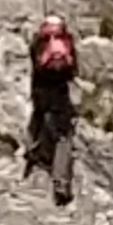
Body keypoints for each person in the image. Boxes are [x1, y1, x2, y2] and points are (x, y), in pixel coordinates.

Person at [25, 15, 78, 207]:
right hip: (59, 96)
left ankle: (31, 156)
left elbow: (35, 66)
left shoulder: (38, 43)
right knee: (63, 138)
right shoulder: (66, 42)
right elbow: (73, 71)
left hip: (40, 94)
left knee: (37, 120)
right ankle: (61, 184)